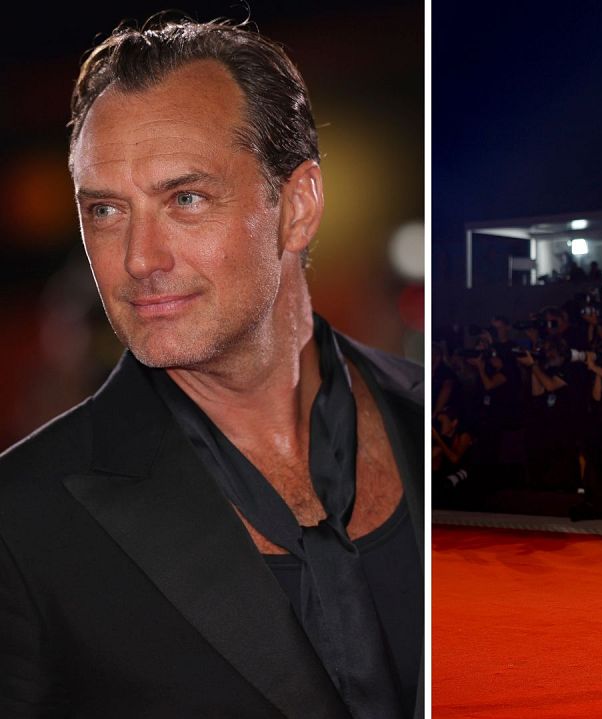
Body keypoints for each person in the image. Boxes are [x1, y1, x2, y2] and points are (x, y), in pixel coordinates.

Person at [0, 19, 423, 718]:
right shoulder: (21, 522)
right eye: (106, 210)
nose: (139, 259)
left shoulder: (435, 423)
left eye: (184, 199)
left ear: (297, 206)